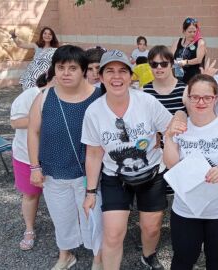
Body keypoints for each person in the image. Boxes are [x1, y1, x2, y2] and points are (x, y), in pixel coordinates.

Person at [81, 49, 172, 270]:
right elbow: (94, 153)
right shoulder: (94, 112)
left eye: (123, 71)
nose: (116, 77)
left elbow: (170, 129)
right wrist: (91, 192)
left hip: (151, 172)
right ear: (101, 77)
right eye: (109, 71)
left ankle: (148, 257)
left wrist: (179, 117)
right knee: (112, 233)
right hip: (115, 176)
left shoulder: (146, 102)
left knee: (151, 227)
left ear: (131, 76)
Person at [28, 45, 103, 270]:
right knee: (62, 217)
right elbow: (33, 131)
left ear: (83, 71)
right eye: (60, 67)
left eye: (72, 68)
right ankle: (65, 254)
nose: (66, 73)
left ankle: (98, 258)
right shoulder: (44, 97)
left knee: (94, 218)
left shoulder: (99, 97)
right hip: (54, 170)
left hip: (89, 174)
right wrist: (34, 167)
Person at [163, 74, 218, 270]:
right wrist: (170, 138)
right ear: (187, 98)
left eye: (207, 97)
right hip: (186, 210)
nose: (201, 102)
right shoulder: (179, 127)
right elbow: (171, 164)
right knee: (183, 258)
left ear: (215, 99)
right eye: (195, 97)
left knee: (217, 259)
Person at [11, 66, 54, 251]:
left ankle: (66, 231)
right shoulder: (31, 95)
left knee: (58, 195)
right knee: (30, 194)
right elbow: (15, 122)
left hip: (54, 156)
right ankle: (29, 229)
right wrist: (43, 118)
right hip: (26, 156)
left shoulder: (68, 97)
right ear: (49, 77)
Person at [11, 27, 59, 91]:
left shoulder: (55, 49)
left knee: (40, 94)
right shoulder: (37, 45)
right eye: (45, 33)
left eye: (50, 34)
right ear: (42, 35)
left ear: (53, 36)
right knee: (29, 94)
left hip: (44, 77)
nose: (47, 36)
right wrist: (14, 36)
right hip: (31, 75)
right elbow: (20, 44)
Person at [143, 45, 187, 114]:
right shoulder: (144, 91)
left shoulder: (185, 90)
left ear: (172, 65)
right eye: (154, 64)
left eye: (164, 64)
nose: (159, 67)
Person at [171, 18, 206, 83]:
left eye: (195, 31)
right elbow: (170, 58)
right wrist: (175, 63)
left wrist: (185, 62)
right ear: (184, 31)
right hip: (178, 78)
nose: (192, 34)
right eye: (190, 32)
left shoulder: (200, 42)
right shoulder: (177, 42)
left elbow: (199, 59)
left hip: (195, 80)